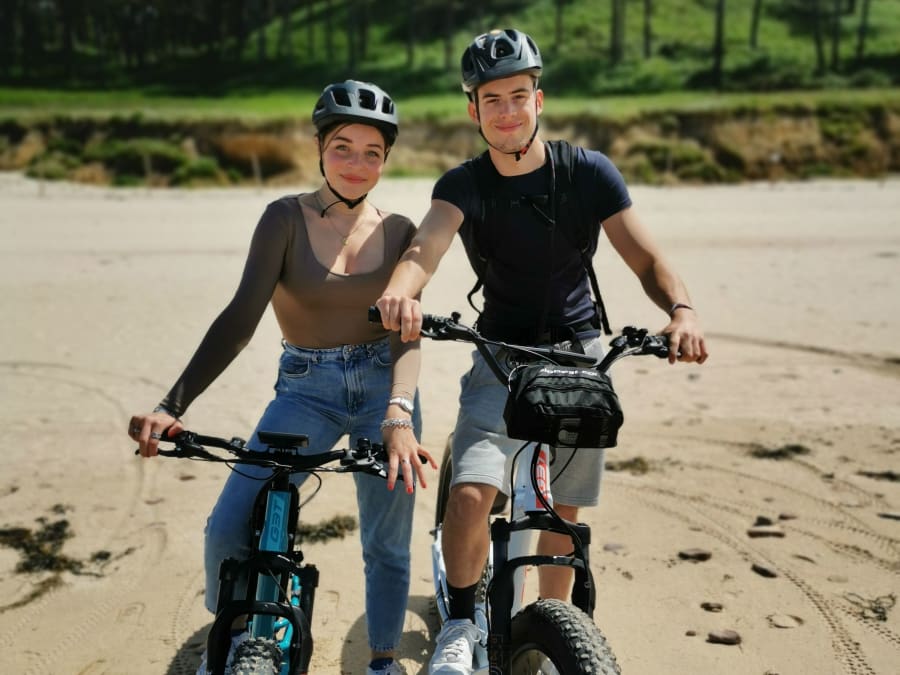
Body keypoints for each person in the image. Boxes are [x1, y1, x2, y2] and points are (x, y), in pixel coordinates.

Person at [375, 29, 709, 674]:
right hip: (498, 353)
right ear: (473, 110)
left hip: (580, 358)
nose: (507, 111)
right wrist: (400, 292)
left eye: (519, 96)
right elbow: (426, 247)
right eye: (492, 98)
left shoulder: (588, 171)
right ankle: (463, 621)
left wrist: (682, 310)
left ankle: (560, 634)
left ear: (539, 99)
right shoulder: (464, 183)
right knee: (472, 494)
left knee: (563, 512)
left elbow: (646, 257)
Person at [128, 80, 436, 675]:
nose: (357, 163)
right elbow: (242, 317)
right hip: (306, 391)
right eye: (343, 146)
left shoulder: (401, 231)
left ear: (386, 161)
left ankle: (381, 661)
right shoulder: (282, 220)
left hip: (384, 389)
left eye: (373, 152)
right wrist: (172, 403)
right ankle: (234, 638)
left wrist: (398, 413)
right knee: (228, 526)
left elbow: (409, 333)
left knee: (386, 544)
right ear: (319, 146)